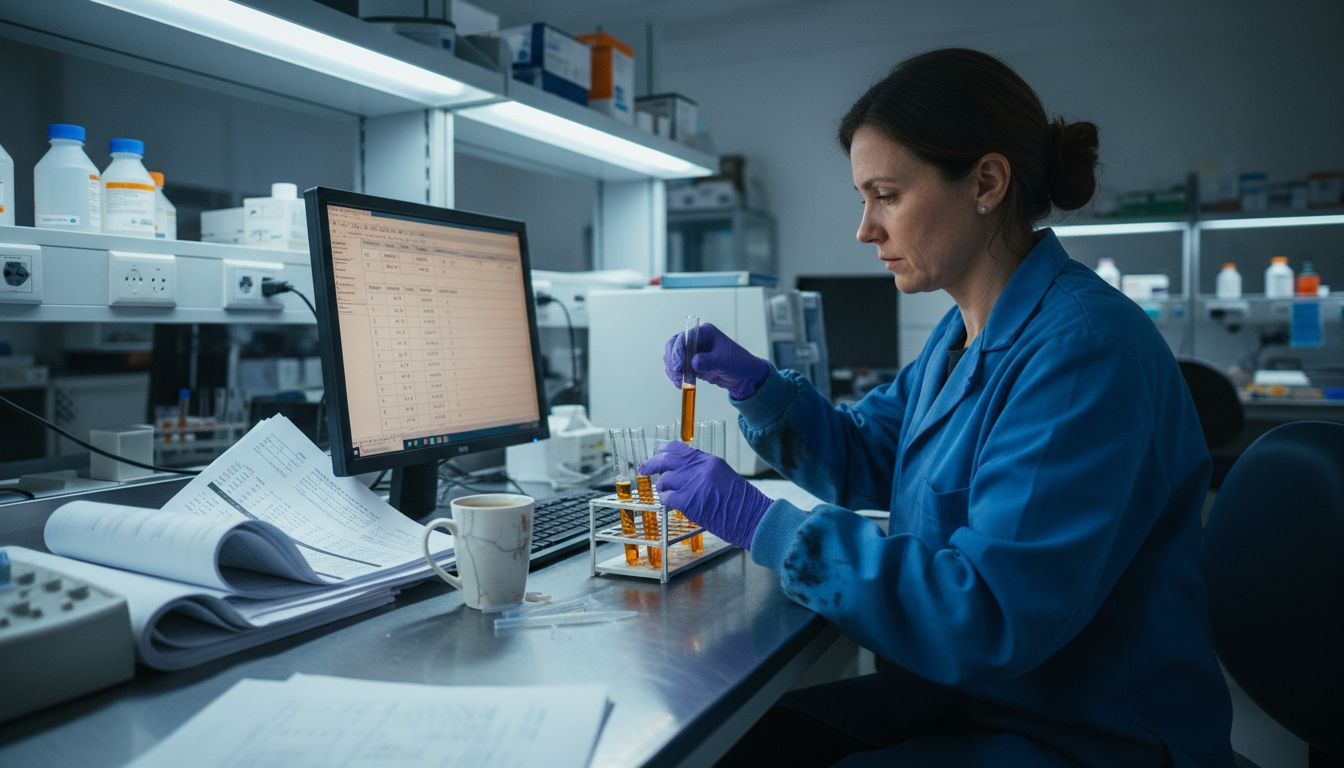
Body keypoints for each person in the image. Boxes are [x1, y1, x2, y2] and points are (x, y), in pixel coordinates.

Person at [639, 48, 1233, 767]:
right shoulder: (964, 330)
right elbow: (873, 455)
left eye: (886, 195)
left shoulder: (1082, 354)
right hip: (972, 703)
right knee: (729, 745)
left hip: (1080, 735)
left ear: (985, 183)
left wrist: (763, 524)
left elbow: (984, 615)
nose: (865, 229)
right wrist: (758, 387)